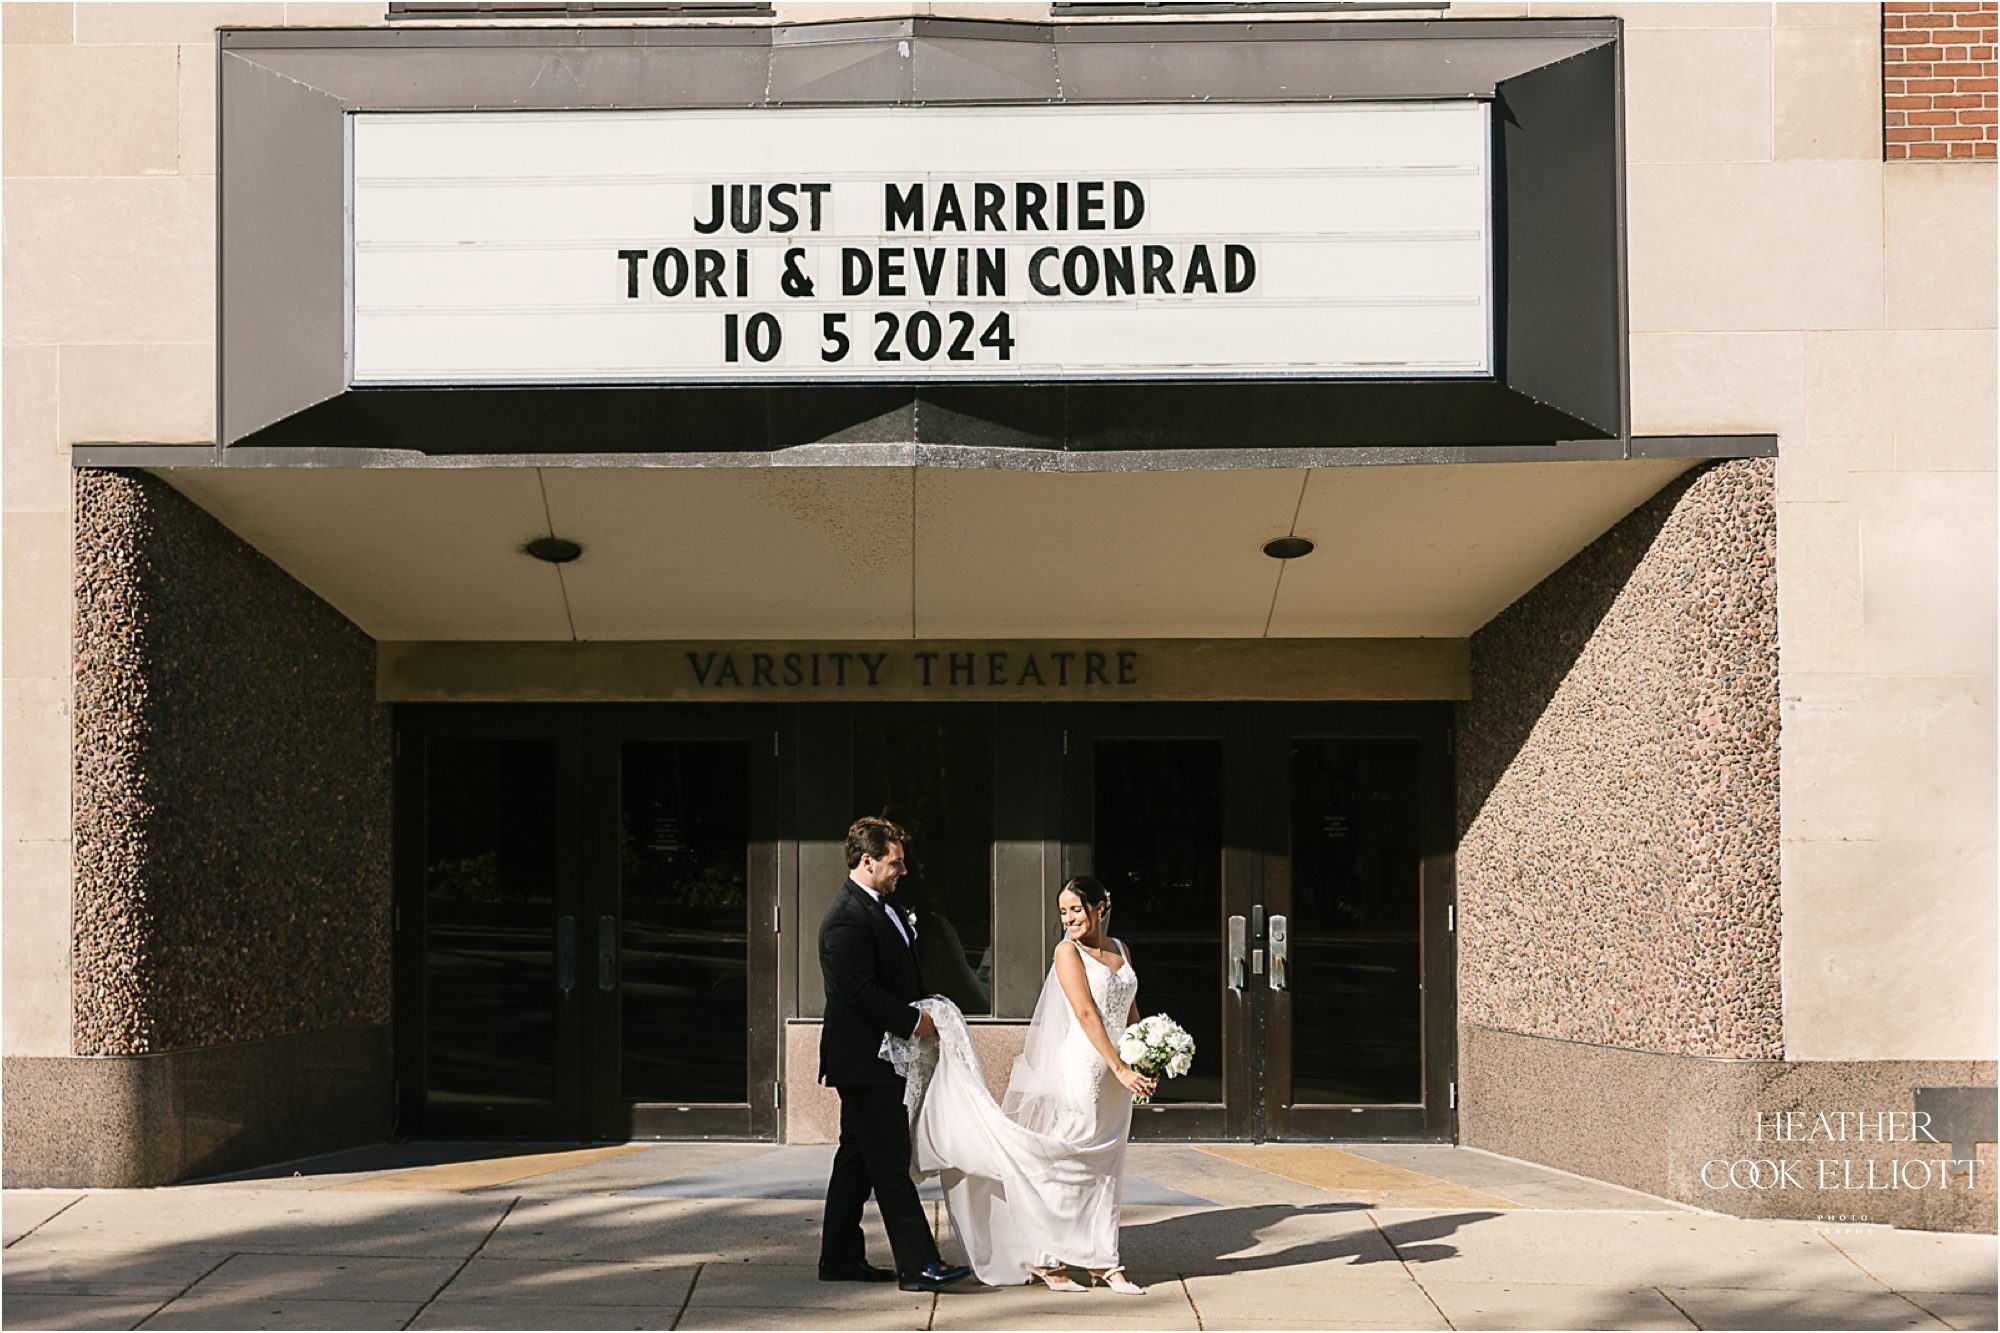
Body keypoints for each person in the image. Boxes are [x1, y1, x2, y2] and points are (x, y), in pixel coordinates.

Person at [899, 875, 1156, 1294]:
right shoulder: (1066, 953)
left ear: (1100, 908)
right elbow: (1087, 1013)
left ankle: (1102, 1261)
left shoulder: (1121, 949)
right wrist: (1119, 1066)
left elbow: (1129, 1009)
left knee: (1108, 1166)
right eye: (1063, 912)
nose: (1069, 918)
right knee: (1067, 1159)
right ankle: (1047, 1258)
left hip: (1118, 1070)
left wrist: (1144, 1054)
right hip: (1086, 1068)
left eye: (1076, 909)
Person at [816, 816, 974, 1294]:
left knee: (857, 1161)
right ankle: (918, 1264)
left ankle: (839, 1258)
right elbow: (857, 992)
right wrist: (915, 1022)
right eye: (895, 862)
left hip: (881, 1058)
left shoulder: (885, 907)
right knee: (888, 1162)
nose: (903, 871)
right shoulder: (846, 917)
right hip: (864, 1061)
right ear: (867, 861)